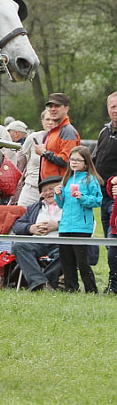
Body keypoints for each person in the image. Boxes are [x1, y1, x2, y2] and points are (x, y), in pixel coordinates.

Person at [54, 145, 103, 293]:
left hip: (82, 226)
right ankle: (71, 288)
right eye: (72, 159)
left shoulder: (90, 179)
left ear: (86, 163)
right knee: (67, 261)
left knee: (82, 261)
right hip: (65, 226)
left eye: (78, 160)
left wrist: (83, 197)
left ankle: (91, 289)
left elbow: (98, 200)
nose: (74, 162)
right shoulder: (67, 179)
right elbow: (61, 204)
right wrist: (58, 194)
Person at [10, 175, 63, 291]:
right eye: (44, 190)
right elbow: (17, 226)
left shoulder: (70, 206)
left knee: (68, 250)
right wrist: (31, 228)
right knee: (19, 246)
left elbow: (82, 223)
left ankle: (43, 283)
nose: (48, 193)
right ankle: (42, 284)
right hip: (37, 243)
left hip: (60, 242)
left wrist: (58, 225)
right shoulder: (34, 207)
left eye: (52, 189)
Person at [93, 91, 117, 293]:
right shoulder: (104, 132)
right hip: (102, 197)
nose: (115, 110)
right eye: (112, 107)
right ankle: (113, 282)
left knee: (114, 243)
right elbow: (95, 160)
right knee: (110, 245)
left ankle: (115, 285)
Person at [13, 111, 57, 206]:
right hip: (31, 187)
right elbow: (23, 157)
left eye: (53, 120)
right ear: (42, 121)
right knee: (21, 216)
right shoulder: (33, 137)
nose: (50, 122)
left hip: (52, 190)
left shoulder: (62, 139)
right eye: (47, 119)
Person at [36, 92, 80, 180]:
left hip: (61, 186)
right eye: (50, 106)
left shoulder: (68, 131)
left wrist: (44, 153)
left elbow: (67, 160)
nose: (53, 109)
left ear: (66, 109)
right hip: (49, 186)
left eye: (57, 106)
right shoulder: (53, 131)